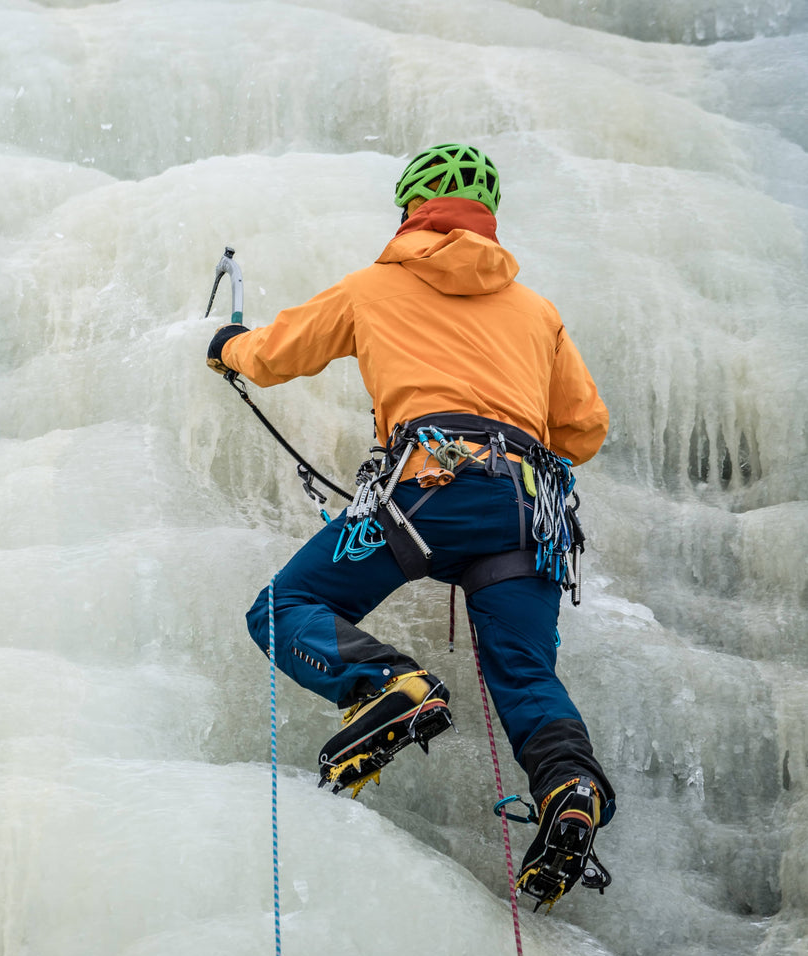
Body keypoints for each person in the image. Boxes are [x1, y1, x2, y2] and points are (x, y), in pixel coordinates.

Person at [205, 143, 615, 911]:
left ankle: (389, 682)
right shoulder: (536, 310)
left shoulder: (375, 285)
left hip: (429, 488)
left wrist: (226, 347)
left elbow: (273, 354)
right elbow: (582, 430)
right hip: (526, 511)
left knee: (281, 607)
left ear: (409, 210)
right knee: (524, 675)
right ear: (486, 219)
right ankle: (569, 787)